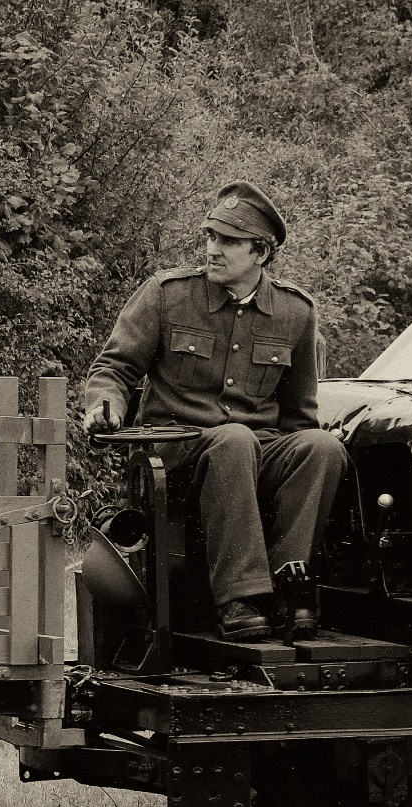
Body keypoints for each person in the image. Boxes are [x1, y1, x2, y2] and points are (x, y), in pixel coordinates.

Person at [83, 182, 345, 643]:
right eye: (210, 237)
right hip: (175, 452)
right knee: (234, 437)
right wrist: (105, 406)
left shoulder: (295, 312)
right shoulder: (167, 294)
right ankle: (239, 599)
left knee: (321, 446)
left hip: (253, 453)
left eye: (228, 242)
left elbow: (300, 413)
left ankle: (289, 587)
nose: (213, 250)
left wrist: (296, 461)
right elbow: (114, 368)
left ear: (260, 253)